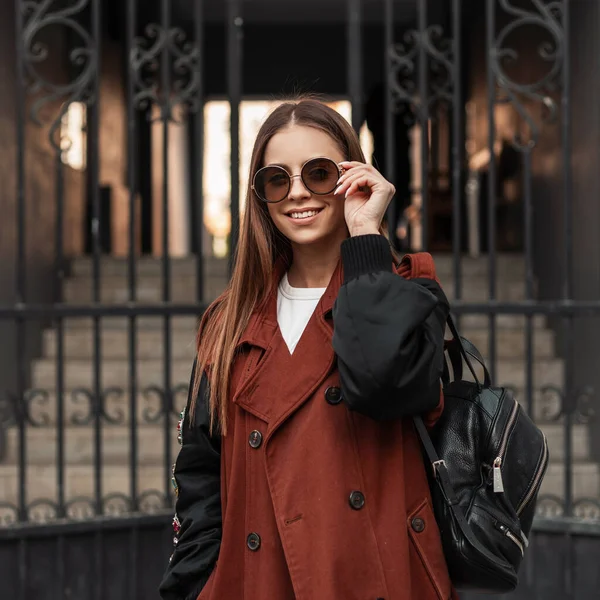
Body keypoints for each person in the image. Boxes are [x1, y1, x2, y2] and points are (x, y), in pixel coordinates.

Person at [159, 97, 453, 600]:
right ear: (262, 196)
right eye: (277, 179)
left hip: (374, 579)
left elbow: (383, 385)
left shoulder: (407, 291)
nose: (298, 193)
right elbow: (201, 473)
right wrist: (199, 583)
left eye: (318, 173)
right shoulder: (229, 321)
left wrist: (365, 236)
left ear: (351, 177)